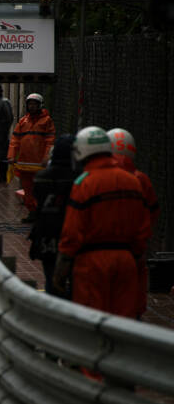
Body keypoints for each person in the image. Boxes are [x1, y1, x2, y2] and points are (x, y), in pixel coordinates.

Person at [53, 126, 151, 319]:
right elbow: (143, 225)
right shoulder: (132, 181)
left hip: (92, 263)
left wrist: (61, 270)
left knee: (93, 323)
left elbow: (72, 233)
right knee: (125, 322)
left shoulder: (85, 183)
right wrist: (137, 256)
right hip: (126, 261)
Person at [107, 128, 159, 318]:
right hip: (135, 249)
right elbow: (153, 210)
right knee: (133, 296)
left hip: (104, 249)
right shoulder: (141, 179)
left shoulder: (98, 178)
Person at [28, 134, 78, 296]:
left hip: (46, 238)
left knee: (50, 279)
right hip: (71, 237)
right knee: (74, 280)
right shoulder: (79, 179)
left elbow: (37, 201)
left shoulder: (41, 178)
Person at [7, 93, 55, 223]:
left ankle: (39, 212)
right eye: (30, 104)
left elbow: (49, 141)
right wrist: (11, 156)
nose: (32, 106)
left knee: (39, 189)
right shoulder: (23, 121)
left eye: (34, 104)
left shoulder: (47, 121)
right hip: (24, 164)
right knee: (27, 190)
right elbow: (15, 140)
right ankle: (32, 213)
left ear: (40, 105)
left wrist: (46, 157)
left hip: (39, 164)